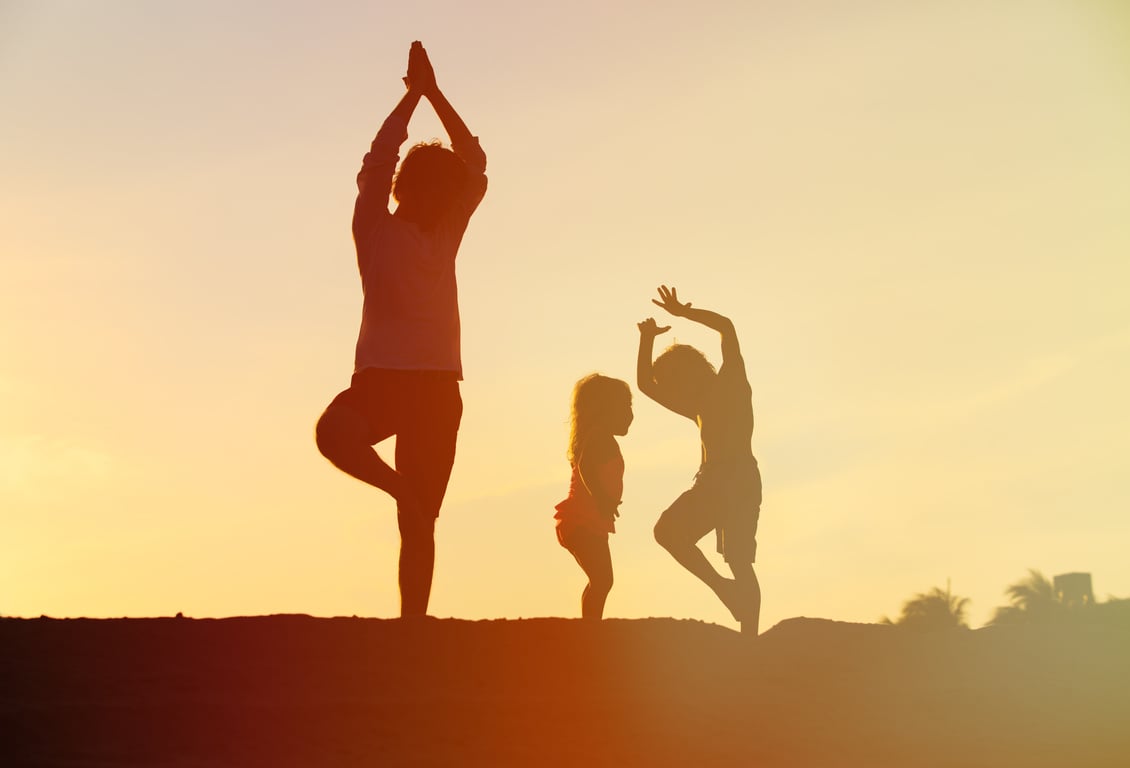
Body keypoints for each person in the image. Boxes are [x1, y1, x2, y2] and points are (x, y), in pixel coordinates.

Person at [315, 41, 487, 617]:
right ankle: (399, 488)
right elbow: (379, 157)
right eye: (431, 187)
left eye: (447, 190)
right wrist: (411, 96)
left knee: (419, 526)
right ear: (406, 188)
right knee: (333, 433)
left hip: (438, 391)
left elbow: (474, 164)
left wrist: (435, 92)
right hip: (382, 383)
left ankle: (413, 626)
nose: (443, 197)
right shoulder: (374, 227)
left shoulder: (448, 234)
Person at [637, 285, 763, 633]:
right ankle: (724, 590)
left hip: (737, 479)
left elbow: (727, 326)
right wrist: (646, 338)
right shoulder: (696, 407)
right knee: (668, 532)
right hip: (711, 481)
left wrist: (683, 313)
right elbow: (646, 385)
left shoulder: (732, 381)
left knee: (739, 559)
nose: (671, 391)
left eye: (673, 382)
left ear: (689, 372)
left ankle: (749, 638)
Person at [553, 374, 633, 620]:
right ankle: (590, 630)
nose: (630, 414)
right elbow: (586, 467)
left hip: (590, 521)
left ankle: (590, 626)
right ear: (604, 410)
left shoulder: (599, 437)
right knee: (602, 579)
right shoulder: (599, 437)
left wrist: (605, 503)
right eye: (624, 407)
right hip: (581, 520)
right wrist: (601, 499)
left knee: (601, 580)